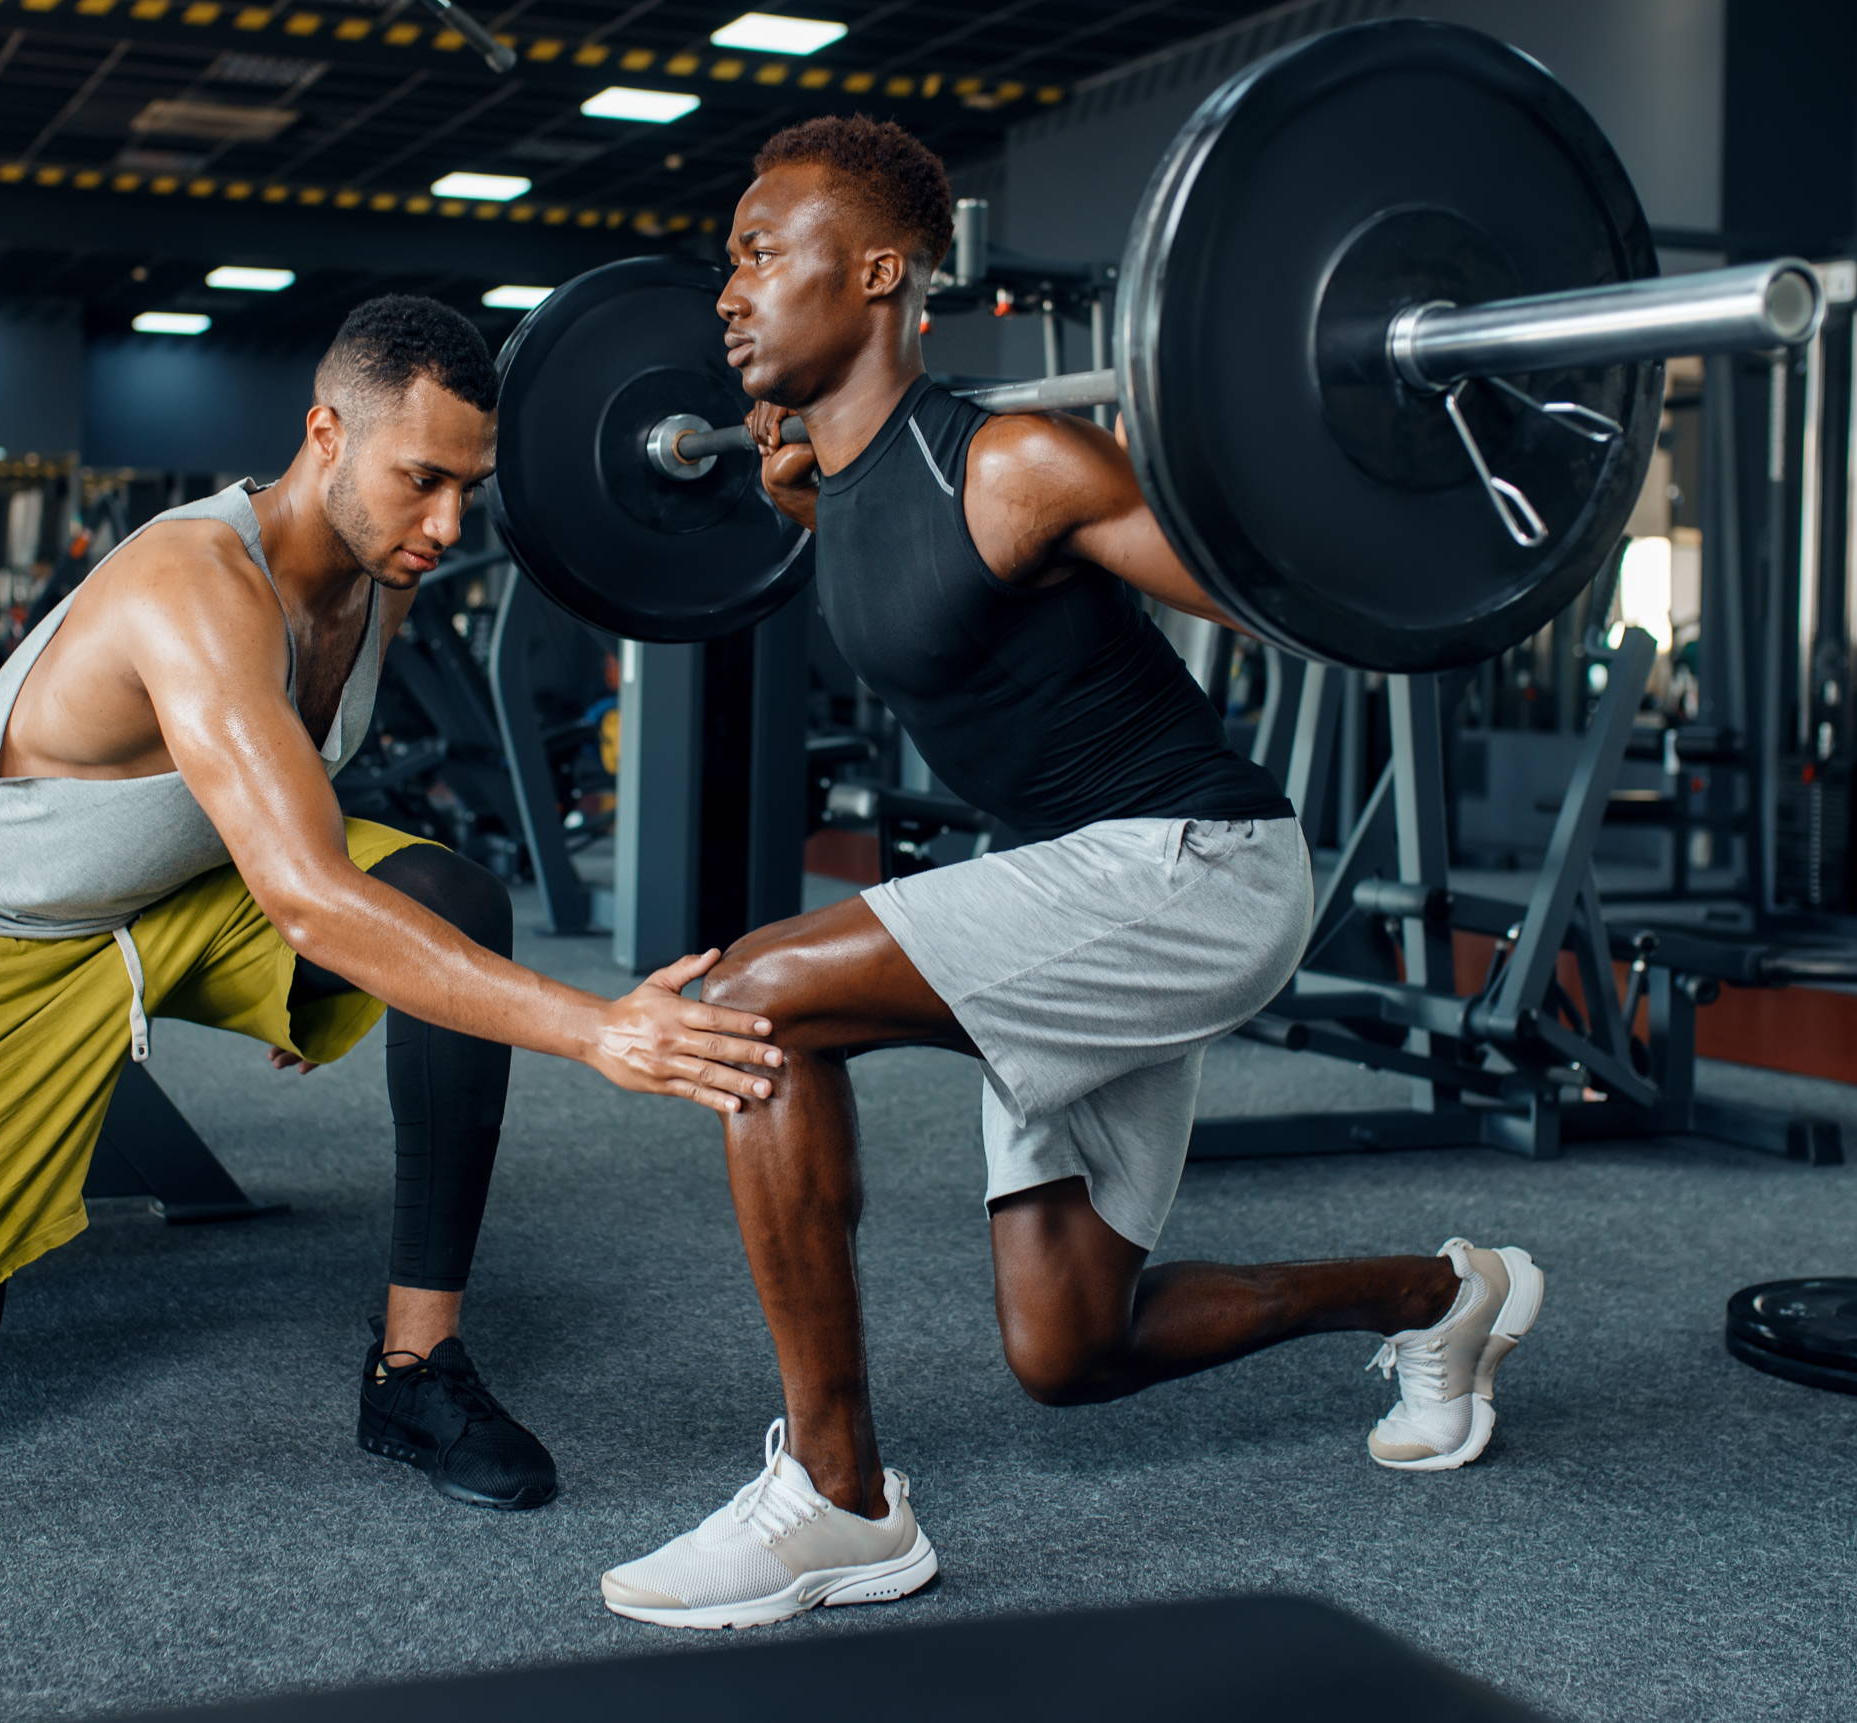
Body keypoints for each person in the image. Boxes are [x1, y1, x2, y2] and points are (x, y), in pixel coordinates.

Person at [0, 296, 785, 1514]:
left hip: (182, 890)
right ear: (325, 432)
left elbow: (298, 812)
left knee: (451, 895)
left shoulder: (385, 568)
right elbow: (318, 899)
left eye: (466, 487)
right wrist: (593, 1026)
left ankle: (417, 1365)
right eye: (422, 478)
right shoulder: (197, 582)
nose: (447, 522)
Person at [597, 120, 1548, 1625]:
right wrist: (798, 487)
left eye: (764, 254)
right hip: (1088, 888)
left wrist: (1379, 440)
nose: (730, 291)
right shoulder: (820, 485)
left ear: (885, 273)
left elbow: (1284, 589)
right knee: (1070, 1347)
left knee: (753, 999)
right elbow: (860, 530)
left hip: (1194, 867)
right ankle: (1440, 1294)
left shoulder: (1019, 461)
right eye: (731, 259)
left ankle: (837, 1497)